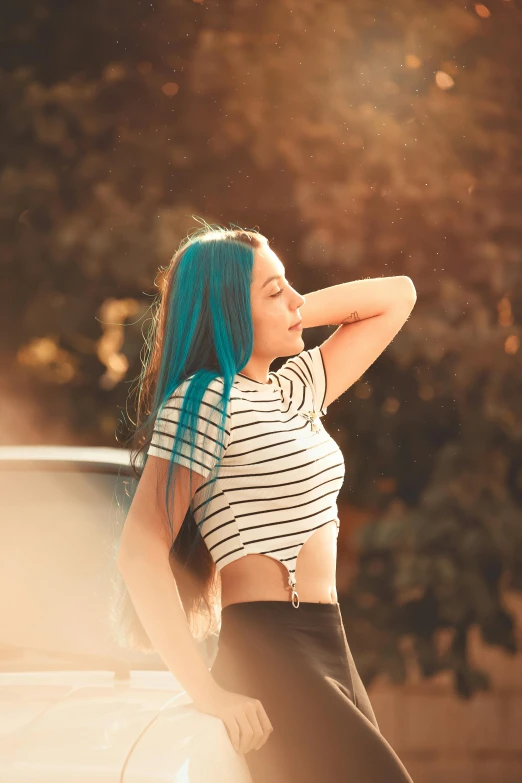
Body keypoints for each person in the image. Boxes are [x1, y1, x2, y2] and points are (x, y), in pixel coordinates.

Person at [115, 223, 416, 782]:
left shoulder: (296, 390)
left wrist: (289, 307)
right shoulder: (204, 398)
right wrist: (207, 692)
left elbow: (398, 295)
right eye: (273, 292)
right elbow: (139, 548)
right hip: (270, 650)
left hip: (329, 642)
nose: (296, 302)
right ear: (229, 311)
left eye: (289, 286)